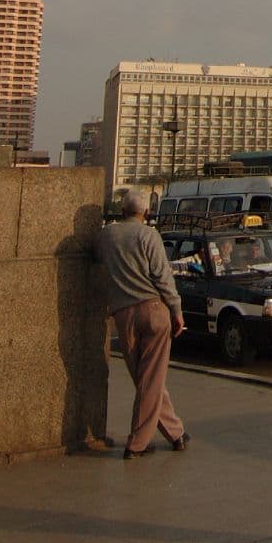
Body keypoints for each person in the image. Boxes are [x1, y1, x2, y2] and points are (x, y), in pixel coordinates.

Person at [94, 195, 191, 460]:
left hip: (123, 315)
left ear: (122, 209)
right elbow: (162, 276)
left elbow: (95, 260)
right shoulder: (148, 236)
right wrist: (176, 310)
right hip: (153, 310)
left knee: (145, 378)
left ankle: (176, 433)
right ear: (146, 212)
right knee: (152, 378)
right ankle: (137, 442)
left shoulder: (106, 236)